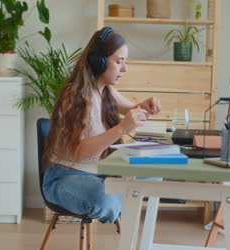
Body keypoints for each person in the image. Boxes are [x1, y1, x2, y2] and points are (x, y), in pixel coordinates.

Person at [41, 27, 161, 224]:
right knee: (106, 199)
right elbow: (80, 152)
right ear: (99, 61)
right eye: (118, 61)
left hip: (96, 174)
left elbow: (132, 108)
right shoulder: (75, 96)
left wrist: (145, 105)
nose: (125, 69)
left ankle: (122, 197)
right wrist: (122, 127)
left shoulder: (106, 90)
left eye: (125, 62)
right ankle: (121, 198)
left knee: (153, 176)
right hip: (63, 179)